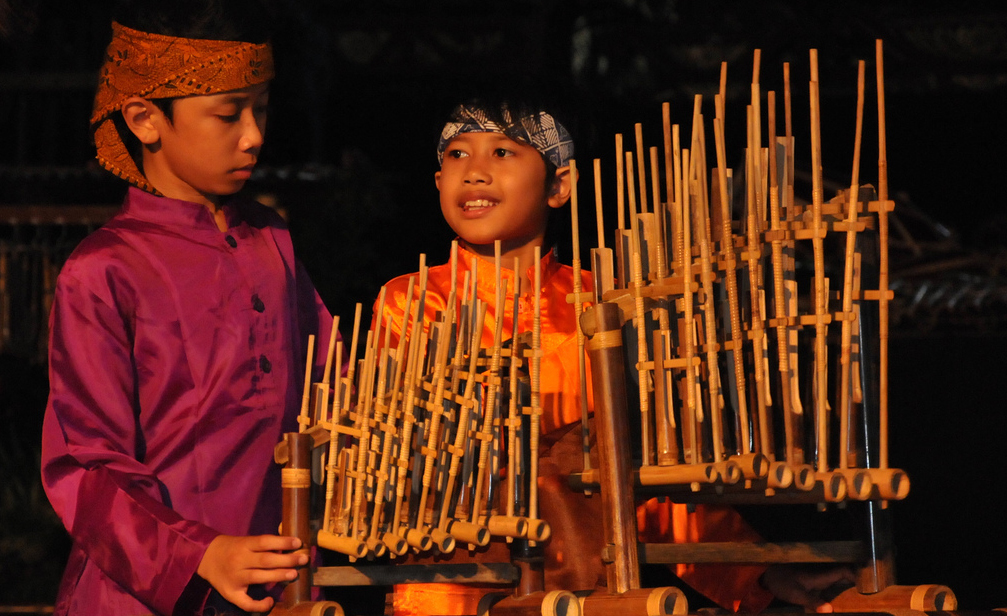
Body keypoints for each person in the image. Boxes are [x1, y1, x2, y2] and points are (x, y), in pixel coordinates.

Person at [373, 99, 855, 615]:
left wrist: (757, 574)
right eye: (456, 155)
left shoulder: (604, 303)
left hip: (582, 590)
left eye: (502, 152)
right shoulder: (413, 302)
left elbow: (643, 476)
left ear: (560, 186)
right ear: (439, 182)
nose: (474, 171)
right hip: (455, 587)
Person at [40, 2, 339, 614]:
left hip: (279, 588)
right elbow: (87, 469)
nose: (254, 135)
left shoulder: (271, 241)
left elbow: (332, 388)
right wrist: (202, 553)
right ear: (146, 120)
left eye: (260, 109)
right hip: (146, 596)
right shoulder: (103, 270)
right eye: (228, 114)